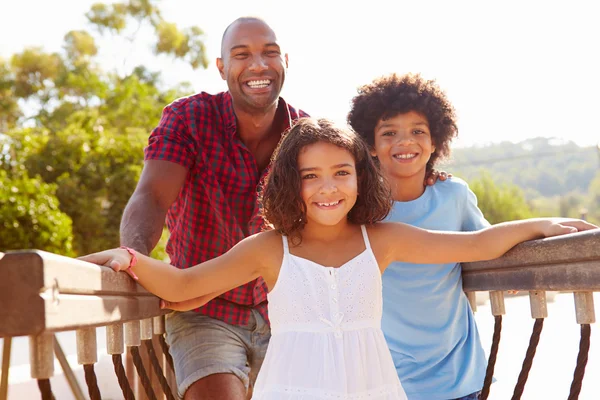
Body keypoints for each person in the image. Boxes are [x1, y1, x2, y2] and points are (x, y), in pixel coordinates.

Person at [81, 118, 596, 400]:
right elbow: (183, 284)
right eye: (311, 176)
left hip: (371, 387)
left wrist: (541, 225)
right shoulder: (270, 246)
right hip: (292, 389)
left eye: (341, 173)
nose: (327, 188)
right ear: (291, 183)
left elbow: (475, 246)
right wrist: (127, 258)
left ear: (361, 176)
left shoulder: (384, 239)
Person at [120, 16, 445, 400]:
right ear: (222, 66)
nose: (258, 64)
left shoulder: (305, 133)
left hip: (287, 314)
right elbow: (152, 198)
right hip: (206, 307)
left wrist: (421, 176)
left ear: (285, 62)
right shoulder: (190, 119)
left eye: (269, 53)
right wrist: (135, 261)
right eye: (242, 55)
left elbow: (344, 198)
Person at [347, 72, 492, 399]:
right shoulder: (356, 208)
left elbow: (489, 244)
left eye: (418, 131)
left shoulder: (454, 195)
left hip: (459, 373)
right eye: (389, 132)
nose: (405, 141)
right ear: (369, 144)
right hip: (389, 377)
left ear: (435, 141)